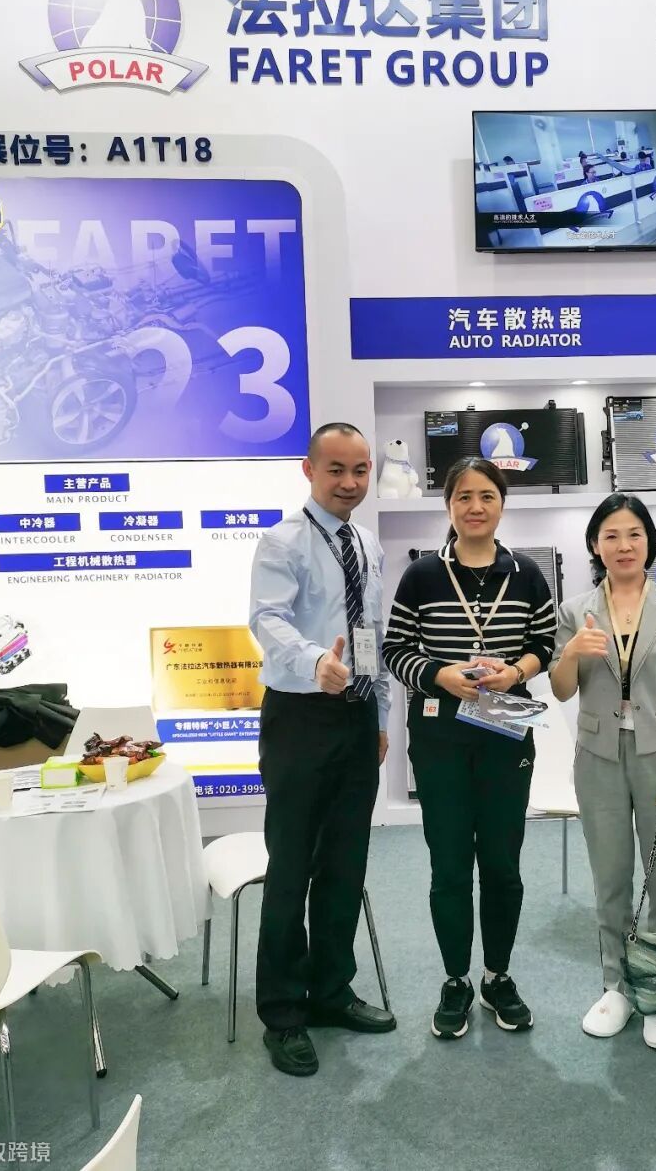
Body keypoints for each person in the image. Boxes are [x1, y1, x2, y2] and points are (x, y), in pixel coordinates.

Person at [383, 457, 556, 1039]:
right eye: (463, 497)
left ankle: (497, 976)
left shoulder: (526, 574)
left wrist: (516, 672)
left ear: (501, 503)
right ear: (448, 505)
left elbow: (544, 642)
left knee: (503, 865)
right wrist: (439, 675)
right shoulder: (422, 575)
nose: (475, 507)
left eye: (487, 496)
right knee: (450, 864)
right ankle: (455, 978)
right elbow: (395, 649)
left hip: (506, 734)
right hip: (441, 737)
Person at [248, 422, 395, 1077]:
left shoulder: (367, 542)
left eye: (360, 470)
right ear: (308, 469)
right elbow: (267, 619)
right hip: (300, 718)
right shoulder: (282, 541)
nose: (350, 482)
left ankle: (331, 991)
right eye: (336, 469)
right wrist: (315, 661)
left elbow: (372, 634)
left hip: (356, 717)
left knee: (344, 864)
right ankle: (283, 1013)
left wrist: (379, 714)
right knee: (292, 868)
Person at [549, 494, 656, 1051]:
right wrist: (572, 651)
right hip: (598, 756)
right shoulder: (574, 610)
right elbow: (561, 689)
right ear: (595, 545)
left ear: (649, 542)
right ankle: (616, 985)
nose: (623, 545)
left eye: (634, 534)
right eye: (611, 535)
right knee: (610, 877)